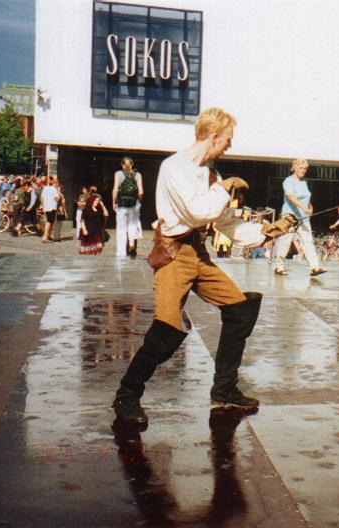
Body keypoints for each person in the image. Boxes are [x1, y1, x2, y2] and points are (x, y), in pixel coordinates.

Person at [113, 107, 272, 426]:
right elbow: (198, 212)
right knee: (166, 328)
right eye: (227, 139)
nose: (229, 145)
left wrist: (265, 233)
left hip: (198, 253)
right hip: (174, 254)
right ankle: (127, 397)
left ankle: (225, 388)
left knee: (240, 310)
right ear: (214, 136)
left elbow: (224, 221)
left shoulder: (211, 173)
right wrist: (224, 187)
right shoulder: (174, 167)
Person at [272, 158, 326, 276]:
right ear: (295, 168)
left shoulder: (304, 183)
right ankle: (279, 267)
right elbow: (290, 197)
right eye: (301, 168)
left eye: (305, 169)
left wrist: (310, 207)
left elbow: (307, 197)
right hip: (290, 216)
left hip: (303, 217)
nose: (303, 170)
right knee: (285, 241)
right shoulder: (288, 181)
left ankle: (315, 268)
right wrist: (304, 208)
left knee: (308, 241)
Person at [113, 157, 144, 258]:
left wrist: (114, 202)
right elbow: (141, 192)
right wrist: (138, 201)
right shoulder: (138, 175)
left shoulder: (118, 174)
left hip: (122, 205)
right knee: (132, 226)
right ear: (132, 164)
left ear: (122, 165)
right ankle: (131, 244)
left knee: (121, 229)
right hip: (133, 205)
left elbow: (115, 189)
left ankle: (121, 253)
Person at [40, 176, 61, 243]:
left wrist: (44, 207)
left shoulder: (45, 188)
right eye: (56, 182)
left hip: (47, 207)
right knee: (49, 222)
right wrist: (59, 191)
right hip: (52, 207)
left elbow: (41, 198)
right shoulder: (54, 189)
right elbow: (57, 199)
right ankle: (45, 237)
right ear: (54, 182)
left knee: (50, 222)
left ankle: (48, 236)